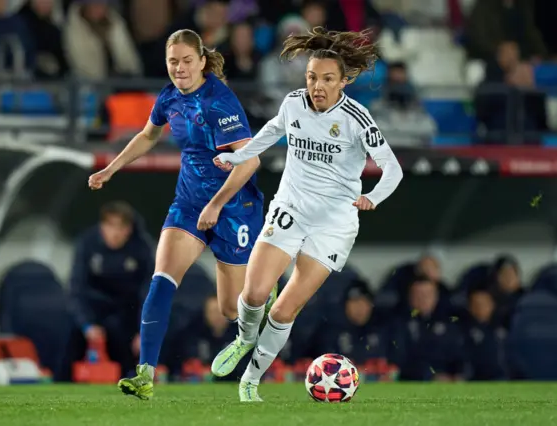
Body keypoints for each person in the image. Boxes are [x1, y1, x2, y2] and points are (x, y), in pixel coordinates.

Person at [210, 27, 403, 401]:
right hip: (291, 208)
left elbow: (392, 168)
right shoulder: (293, 103)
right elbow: (268, 133)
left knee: (284, 310)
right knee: (252, 294)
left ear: (343, 82)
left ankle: (250, 380)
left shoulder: (357, 119)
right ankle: (244, 338)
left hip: (333, 223)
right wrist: (235, 156)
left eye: (327, 79)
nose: (318, 85)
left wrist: (373, 197)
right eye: (312, 77)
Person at [87, 28, 277, 400]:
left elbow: (250, 160)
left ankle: (262, 303)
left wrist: (217, 204)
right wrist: (112, 168)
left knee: (229, 308)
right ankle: (145, 374)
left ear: (202, 61)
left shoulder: (220, 102)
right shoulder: (169, 96)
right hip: (189, 204)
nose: (179, 68)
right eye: (173, 61)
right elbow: (148, 134)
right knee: (162, 279)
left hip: (234, 207)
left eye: (187, 60)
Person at [61, 201, 153, 381]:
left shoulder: (142, 249)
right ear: (102, 227)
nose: (116, 233)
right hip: (92, 309)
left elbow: (148, 293)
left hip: (127, 313)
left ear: (129, 229)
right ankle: (60, 384)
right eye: (111, 226)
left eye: (121, 227)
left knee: (125, 343)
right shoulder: (87, 244)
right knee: (70, 335)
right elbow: (76, 288)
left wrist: (144, 331)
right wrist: (87, 324)